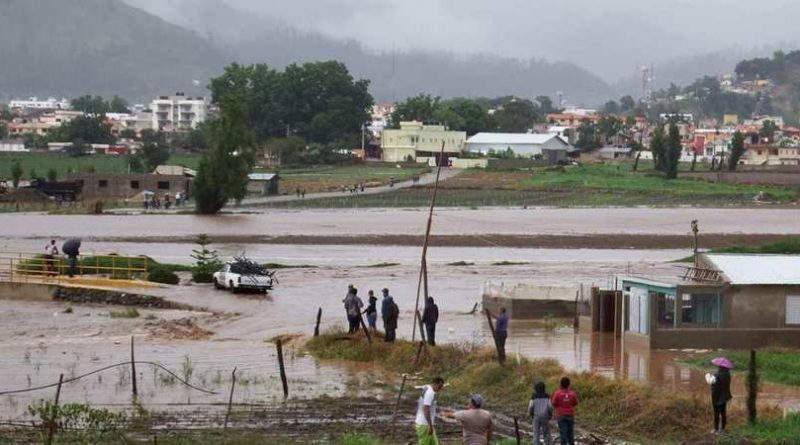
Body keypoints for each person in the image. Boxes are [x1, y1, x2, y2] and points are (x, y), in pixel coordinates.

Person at [415, 376, 445, 445]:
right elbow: (426, 409)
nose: (439, 389)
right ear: (435, 384)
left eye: (441, 387)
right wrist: (430, 425)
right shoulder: (430, 393)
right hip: (424, 424)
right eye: (439, 387)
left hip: (426, 423)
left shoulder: (427, 387)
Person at [708, 358, 733, 434]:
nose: (717, 367)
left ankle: (716, 429)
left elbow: (713, 384)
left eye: (718, 366)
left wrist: (710, 377)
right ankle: (723, 429)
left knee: (716, 413)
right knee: (723, 413)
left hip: (717, 397)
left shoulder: (717, 375)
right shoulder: (728, 375)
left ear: (720, 367)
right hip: (725, 396)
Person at [551, 377, 578, 445]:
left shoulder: (557, 393)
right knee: (570, 433)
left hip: (561, 415)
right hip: (570, 415)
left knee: (563, 433)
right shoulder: (572, 393)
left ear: (560, 384)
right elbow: (575, 403)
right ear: (569, 384)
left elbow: (553, 403)